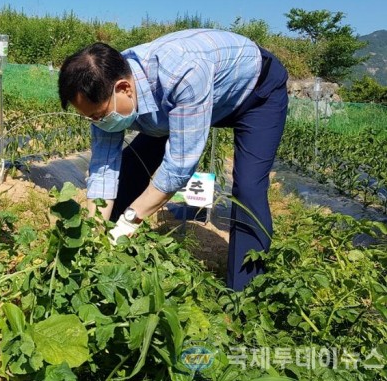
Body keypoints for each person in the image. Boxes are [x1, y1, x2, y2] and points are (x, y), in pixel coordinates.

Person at [58, 30, 288, 290]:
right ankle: (104, 257)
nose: (97, 123)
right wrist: (94, 228)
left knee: (248, 188)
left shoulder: (181, 73)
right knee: (131, 166)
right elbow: (103, 167)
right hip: (179, 105)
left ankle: (246, 293)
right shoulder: (105, 87)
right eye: (90, 118)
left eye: (99, 116)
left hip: (254, 94)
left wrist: (130, 220)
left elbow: (179, 167)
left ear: (123, 88)